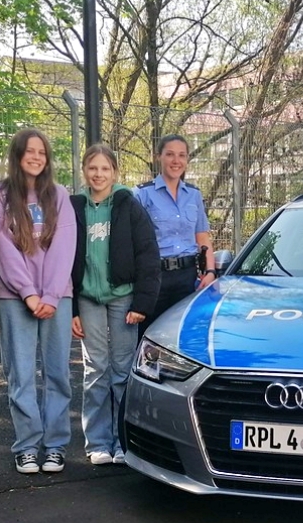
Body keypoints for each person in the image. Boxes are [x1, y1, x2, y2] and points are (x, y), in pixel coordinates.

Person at [0, 129, 77, 475]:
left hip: (56, 297)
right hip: (14, 296)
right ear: (17, 155)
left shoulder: (60, 195)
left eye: (42, 152)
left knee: (57, 374)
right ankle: (26, 446)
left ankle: (54, 446)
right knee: (20, 375)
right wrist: (28, 292)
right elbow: (2, 248)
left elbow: (64, 248)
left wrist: (49, 295)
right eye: (29, 152)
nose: (36, 157)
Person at [70, 144, 161, 465]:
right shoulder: (75, 207)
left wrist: (142, 303)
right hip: (88, 298)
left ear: (115, 173)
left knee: (122, 370)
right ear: (84, 172)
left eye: (105, 169)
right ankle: (97, 442)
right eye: (92, 169)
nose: (98, 174)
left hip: (123, 297)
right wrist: (73, 310)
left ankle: (123, 441)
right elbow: (65, 259)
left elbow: (148, 254)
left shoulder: (128, 205)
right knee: (96, 370)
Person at [134, 135, 215, 334]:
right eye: (170, 154)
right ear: (158, 157)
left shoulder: (193, 195)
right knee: (150, 334)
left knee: (184, 334)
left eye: (181, 155)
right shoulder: (142, 194)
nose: (176, 161)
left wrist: (211, 272)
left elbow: (202, 236)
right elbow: (132, 241)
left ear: (187, 160)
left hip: (187, 278)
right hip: (155, 277)